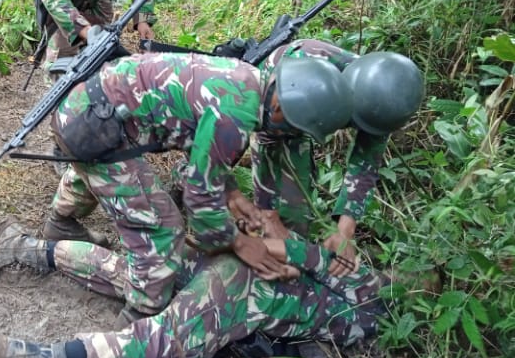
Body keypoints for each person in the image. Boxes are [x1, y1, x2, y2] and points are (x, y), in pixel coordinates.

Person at [41, 51, 354, 323]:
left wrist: (230, 193)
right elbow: (199, 197)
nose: (289, 137)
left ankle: (61, 222)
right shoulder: (234, 121)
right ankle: (141, 313)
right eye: (293, 129)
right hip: (95, 128)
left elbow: (197, 136)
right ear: (280, 111)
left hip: (88, 109)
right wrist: (241, 244)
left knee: (94, 169)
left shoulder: (248, 81)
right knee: (164, 228)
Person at [0, 222, 387, 358]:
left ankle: (24, 247)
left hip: (231, 274)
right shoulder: (368, 297)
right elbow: (304, 252)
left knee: (127, 274)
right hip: (239, 293)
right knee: (160, 341)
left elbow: (301, 254)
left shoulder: (366, 304)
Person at [253, 41, 424, 274]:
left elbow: (365, 164)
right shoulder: (297, 74)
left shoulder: (383, 102)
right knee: (282, 212)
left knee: (297, 216)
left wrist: (345, 232)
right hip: (286, 119)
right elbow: (268, 143)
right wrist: (268, 214)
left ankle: (298, 258)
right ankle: (273, 258)